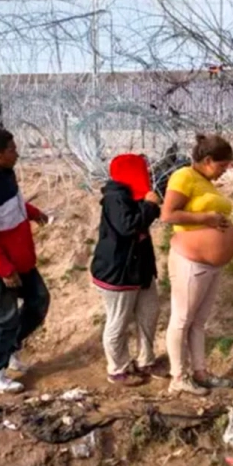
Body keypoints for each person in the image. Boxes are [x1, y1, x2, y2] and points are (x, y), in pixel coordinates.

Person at [0, 128, 51, 394]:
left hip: (20, 258)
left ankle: (10, 348)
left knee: (38, 301)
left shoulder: (5, 174)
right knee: (3, 316)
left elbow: (13, 206)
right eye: (12, 149)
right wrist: (2, 269)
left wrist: (33, 213)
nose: (17, 153)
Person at [161, 134, 233, 396]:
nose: (223, 172)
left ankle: (200, 372)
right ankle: (178, 377)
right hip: (190, 260)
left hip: (211, 264)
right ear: (207, 160)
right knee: (182, 319)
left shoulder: (204, 181)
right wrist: (207, 218)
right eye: (221, 166)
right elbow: (168, 214)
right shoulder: (183, 176)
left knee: (198, 321)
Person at [90, 153, 167, 387]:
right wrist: (150, 205)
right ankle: (117, 368)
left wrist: (148, 204)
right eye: (143, 170)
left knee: (149, 313)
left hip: (139, 269)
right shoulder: (115, 197)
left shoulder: (132, 195)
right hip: (118, 273)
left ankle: (146, 360)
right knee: (118, 321)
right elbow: (128, 226)